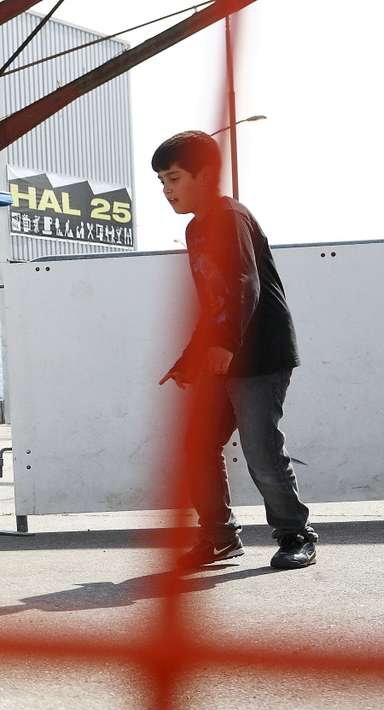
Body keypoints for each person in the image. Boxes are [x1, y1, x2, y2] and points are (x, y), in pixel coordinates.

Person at [153, 130, 316, 570]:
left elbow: (244, 282)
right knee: (197, 445)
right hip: (221, 357)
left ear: (206, 176)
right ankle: (220, 538)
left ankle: (295, 534)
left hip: (261, 354)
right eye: (162, 182)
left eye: (174, 178)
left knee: (260, 446)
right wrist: (191, 358)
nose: (166, 190)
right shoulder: (196, 228)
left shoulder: (230, 217)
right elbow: (212, 303)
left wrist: (225, 342)